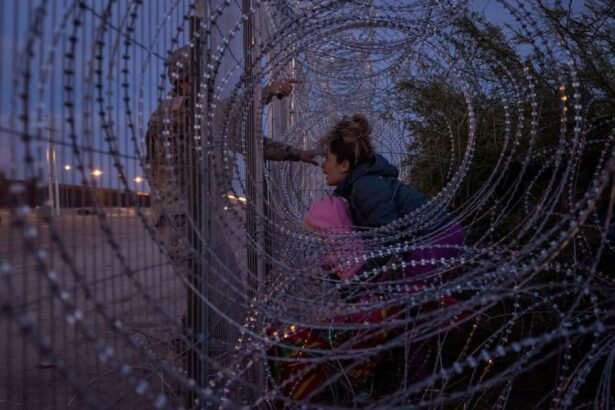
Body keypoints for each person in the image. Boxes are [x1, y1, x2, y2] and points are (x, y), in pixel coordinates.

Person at [319, 114, 465, 285]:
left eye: (327, 158)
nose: (323, 165)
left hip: (435, 237)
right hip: (434, 237)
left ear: (344, 165)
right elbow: (375, 241)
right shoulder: (361, 185)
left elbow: (387, 238)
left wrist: (357, 280)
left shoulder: (366, 186)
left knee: (406, 299)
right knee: (410, 299)